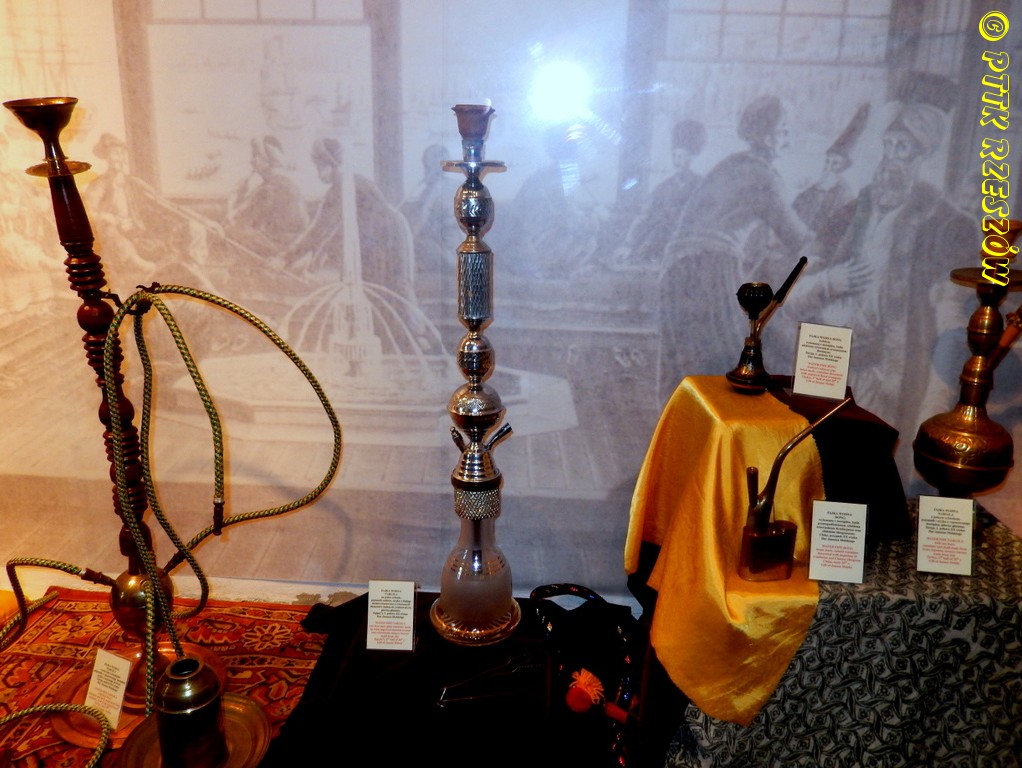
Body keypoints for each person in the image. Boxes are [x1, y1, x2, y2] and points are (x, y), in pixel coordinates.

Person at [792, 100, 977, 441]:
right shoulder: (852, 209)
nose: (891, 157)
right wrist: (830, 282)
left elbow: (950, 322)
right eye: (888, 145)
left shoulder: (948, 224)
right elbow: (796, 288)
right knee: (810, 446)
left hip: (887, 369)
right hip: (826, 347)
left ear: (923, 155)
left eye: (903, 148)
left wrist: (936, 403)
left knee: (871, 454)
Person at [656, 95, 808, 404]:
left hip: (675, 269)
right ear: (767, 134)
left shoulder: (730, 165)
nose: (789, 140)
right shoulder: (763, 175)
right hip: (708, 267)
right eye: (784, 131)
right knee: (728, 361)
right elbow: (799, 238)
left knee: (686, 368)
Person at [621, 118, 707, 269]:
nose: (676, 161)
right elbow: (644, 217)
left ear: (691, 158)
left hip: (690, 242)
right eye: (675, 156)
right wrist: (628, 243)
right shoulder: (662, 189)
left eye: (681, 156)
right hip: (662, 243)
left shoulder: (701, 185)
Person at [224, 135, 308, 256]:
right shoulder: (286, 183)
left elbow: (234, 220)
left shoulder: (268, 189)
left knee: (232, 230)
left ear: (268, 161)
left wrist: (233, 198)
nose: (251, 161)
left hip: (282, 250)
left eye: (256, 156)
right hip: (295, 247)